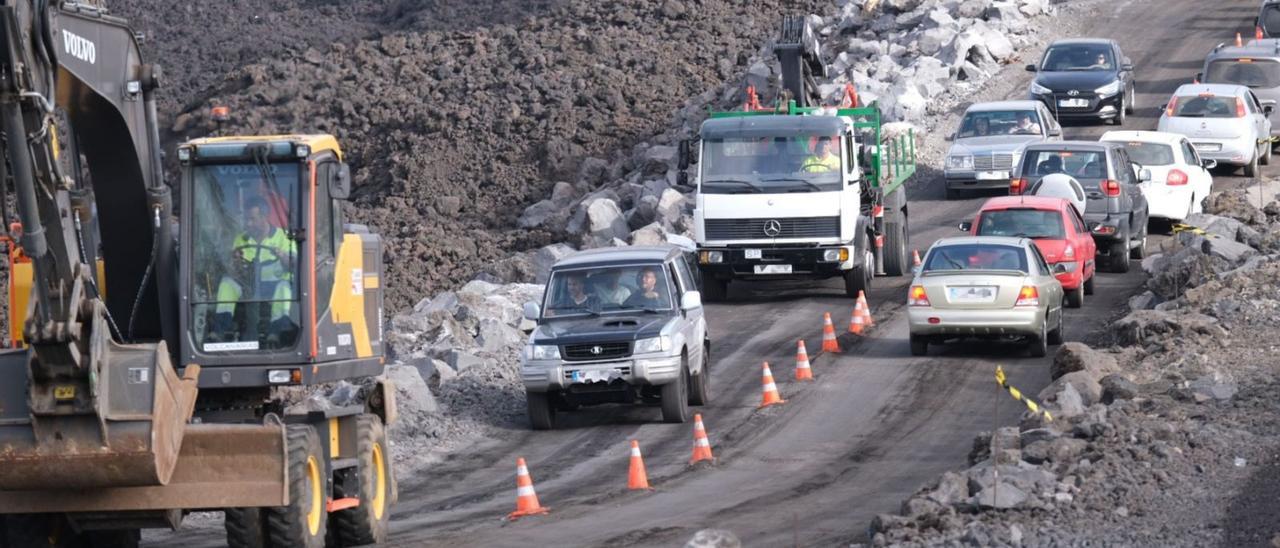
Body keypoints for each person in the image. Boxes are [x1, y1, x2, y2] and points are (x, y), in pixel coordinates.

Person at [210, 198, 297, 344]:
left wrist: (282, 255)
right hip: (248, 285)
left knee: (284, 287)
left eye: (253, 219)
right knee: (227, 283)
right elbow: (234, 269)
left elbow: (294, 264)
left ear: (264, 217)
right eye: (246, 219)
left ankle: (276, 331)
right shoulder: (241, 239)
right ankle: (220, 328)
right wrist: (235, 261)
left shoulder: (284, 237)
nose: (248, 223)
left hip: (273, 285)